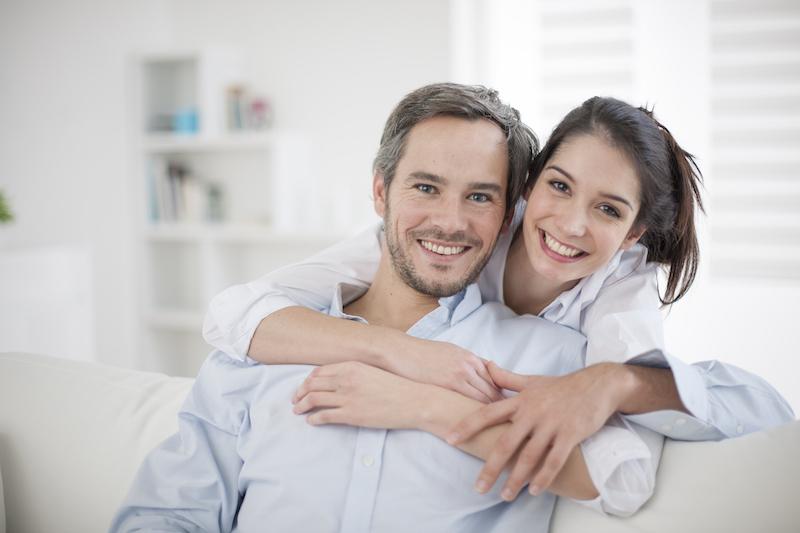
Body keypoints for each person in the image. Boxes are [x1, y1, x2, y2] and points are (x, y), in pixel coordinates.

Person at [113, 83, 691, 532]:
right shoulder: (262, 348)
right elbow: (168, 513)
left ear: (508, 209)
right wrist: (402, 354)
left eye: (480, 197)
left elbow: (622, 476)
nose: (449, 221)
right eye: (424, 187)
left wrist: (428, 406)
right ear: (380, 192)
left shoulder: (554, 362)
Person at [202, 93, 794, 501]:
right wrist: (400, 353)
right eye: (559, 187)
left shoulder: (620, 291)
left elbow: (647, 466)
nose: (571, 225)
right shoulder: (455, 228)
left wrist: (619, 381)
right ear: (526, 188)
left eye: (609, 209)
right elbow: (234, 313)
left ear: (634, 234)